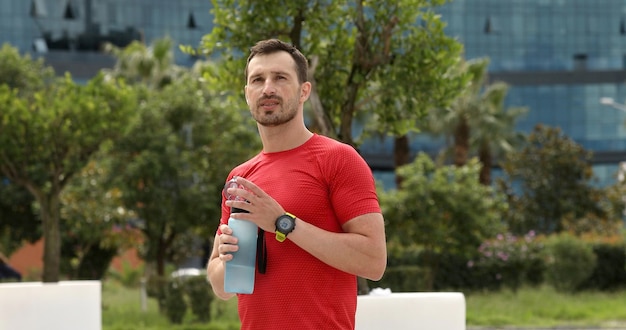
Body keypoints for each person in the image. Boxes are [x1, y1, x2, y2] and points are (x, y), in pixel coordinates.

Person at [206, 39, 387, 330]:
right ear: (247, 94)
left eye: (280, 78)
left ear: (304, 91)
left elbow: (373, 261)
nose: (268, 88)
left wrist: (281, 222)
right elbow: (221, 287)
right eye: (257, 80)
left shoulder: (339, 159)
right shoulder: (240, 177)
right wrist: (228, 261)